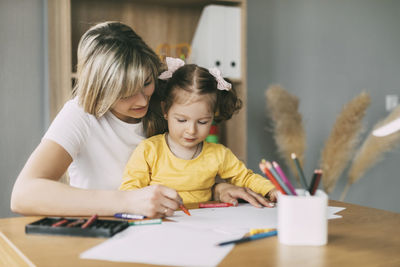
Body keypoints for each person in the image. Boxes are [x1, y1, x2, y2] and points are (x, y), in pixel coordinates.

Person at [10, 22, 273, 218]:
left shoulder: (163, 99)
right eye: (125, 93)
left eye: (145, 82)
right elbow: (23, 195)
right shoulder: (80, 115)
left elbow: (186, 166)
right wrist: (126, 201)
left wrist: (217, 188)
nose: (141, 101)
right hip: (106, 229)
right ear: (100, 89)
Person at [119, 57, 277, 205]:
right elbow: (129, 192)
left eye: (202, 122)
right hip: (162, 223)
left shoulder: (218, 154)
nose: (191, 130)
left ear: (212, 116)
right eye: (182, 120)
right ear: (165, 110)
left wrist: (271, 189)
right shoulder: (149, 151)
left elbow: (245, 178)